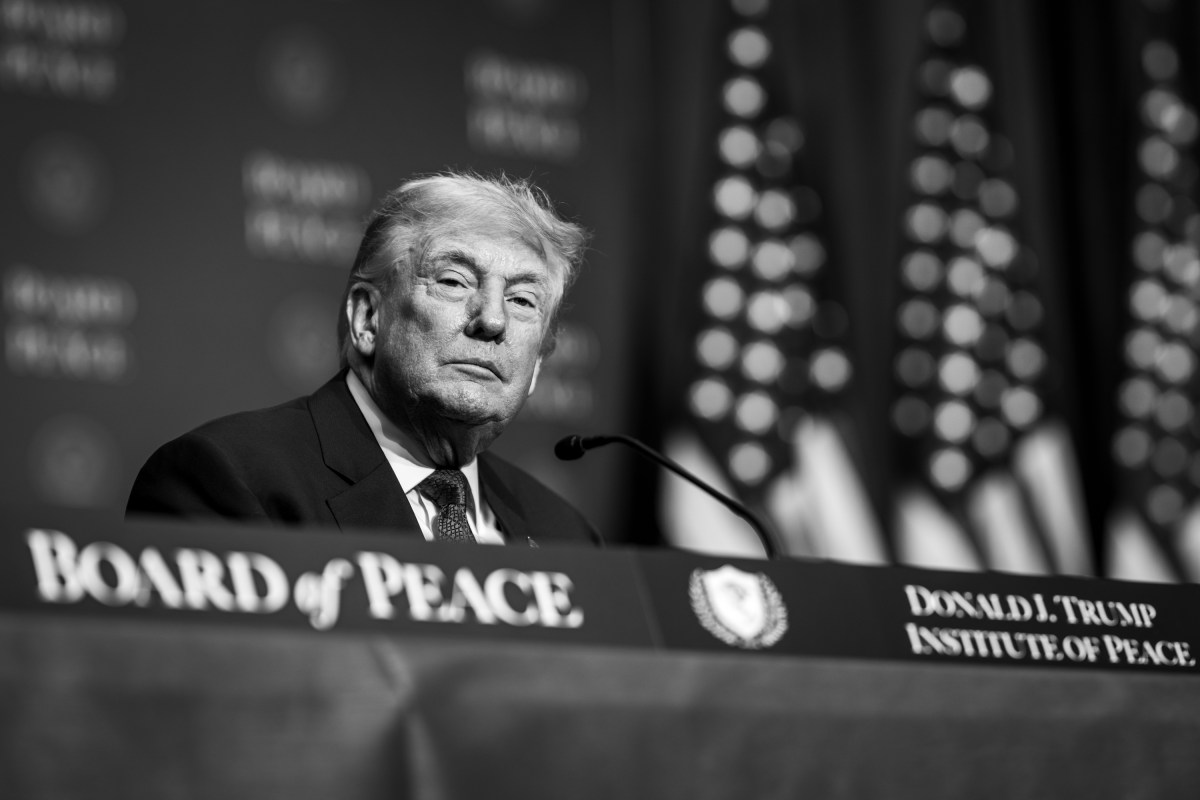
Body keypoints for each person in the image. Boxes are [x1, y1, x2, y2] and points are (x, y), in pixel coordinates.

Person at [127, 172, 600, 548]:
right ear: (368, 318)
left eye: (522, 300)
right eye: (454, 281)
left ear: (538, 362)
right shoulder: (231, 478)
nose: (493, 319)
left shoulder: (566, 535)